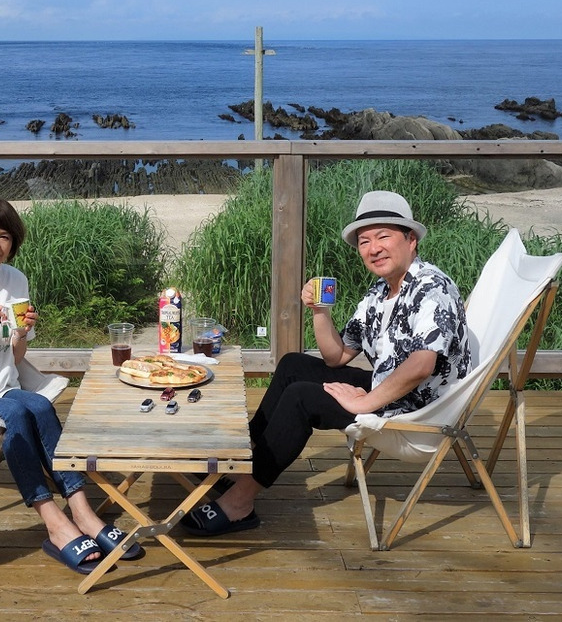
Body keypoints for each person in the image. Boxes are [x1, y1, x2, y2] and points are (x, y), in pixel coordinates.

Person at [181, 190, 472, 536]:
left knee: (302, 398)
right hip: (392, 390)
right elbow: (337, 356)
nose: (373, 248)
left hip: (418, 408)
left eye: (383, 236)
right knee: (292, 365)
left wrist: (364, 401)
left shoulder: (431, 288)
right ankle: (247, 461)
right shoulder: (379, 294)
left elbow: (422, 365)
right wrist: (320, 312)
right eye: (365, 241)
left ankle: (240, 503)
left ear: (411, 240)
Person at [0, 194, 144, 574]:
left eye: (4, 237)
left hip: (2, 386)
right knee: (16, 412)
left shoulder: (15, 280)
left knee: (40, 406)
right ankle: (55, 523)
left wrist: (21, 333)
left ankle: (82, 511)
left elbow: (13, 360)